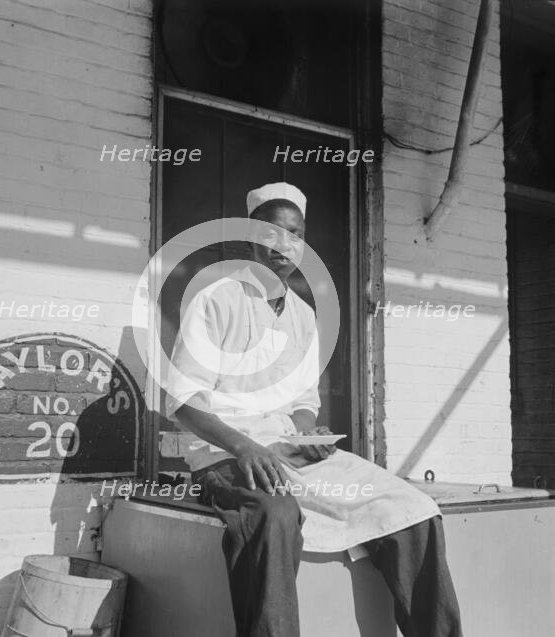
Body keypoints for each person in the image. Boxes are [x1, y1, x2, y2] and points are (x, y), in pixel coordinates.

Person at [164, 182, 463, 637]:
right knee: (275, 515)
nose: (285, 244)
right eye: (273, 232)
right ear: (251, 238)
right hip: (225, 454)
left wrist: (305, 437)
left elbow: (304, 403)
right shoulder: (216, 298)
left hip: (288, 455)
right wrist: (246, 448)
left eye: (296, 234)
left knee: (411, 506)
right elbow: (184, 402)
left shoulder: (303, 315)